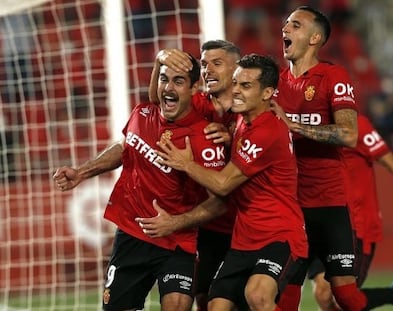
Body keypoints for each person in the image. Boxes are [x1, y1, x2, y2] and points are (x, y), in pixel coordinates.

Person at [52, 55, 228, 311]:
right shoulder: (142, 113)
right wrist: (82, 172)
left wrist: (175, 222)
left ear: (193, 89)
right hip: (132, 235)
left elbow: (220, 203)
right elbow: (126, 147)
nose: (168, 87)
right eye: (164, 79)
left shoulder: (205, 138)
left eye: (178, 81)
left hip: (177, 242)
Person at [138, 54, 308, 311]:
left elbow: (222, 185)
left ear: (267, 93)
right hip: (244, 239)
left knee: (258, 296)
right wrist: (160, 59)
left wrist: (185, 163)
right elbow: (158, 99)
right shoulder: (243, 119)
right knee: (215, 306)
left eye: (246, 86)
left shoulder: (267, 131)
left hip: (279, 236)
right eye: (236, 83)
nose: (236, 91)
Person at [272, 5, 393, 311]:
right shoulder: (277, 85)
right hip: (292, 210)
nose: (285, 28)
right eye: (286, 23)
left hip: (336, 212)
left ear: (315, 38)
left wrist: (294, 126)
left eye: (295, 25)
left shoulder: (333, 77)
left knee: (339, 297)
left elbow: (349, 135)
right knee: (282, 293)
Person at [148, 39, 241, 311]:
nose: (208, 69)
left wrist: (234, 137)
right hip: (210, 223)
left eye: (217, 63)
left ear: (237, 69)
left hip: (248, 223)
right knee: (204, 300)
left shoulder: (254, 106)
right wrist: (161, 58)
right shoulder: (198, 103)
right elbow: (157, 99)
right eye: (204, 64)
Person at [308, 113, 393, 311]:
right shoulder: (306, 121)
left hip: (358, 224)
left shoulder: (356, 125)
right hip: (325, 221)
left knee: (342, 299)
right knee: (323, 293)